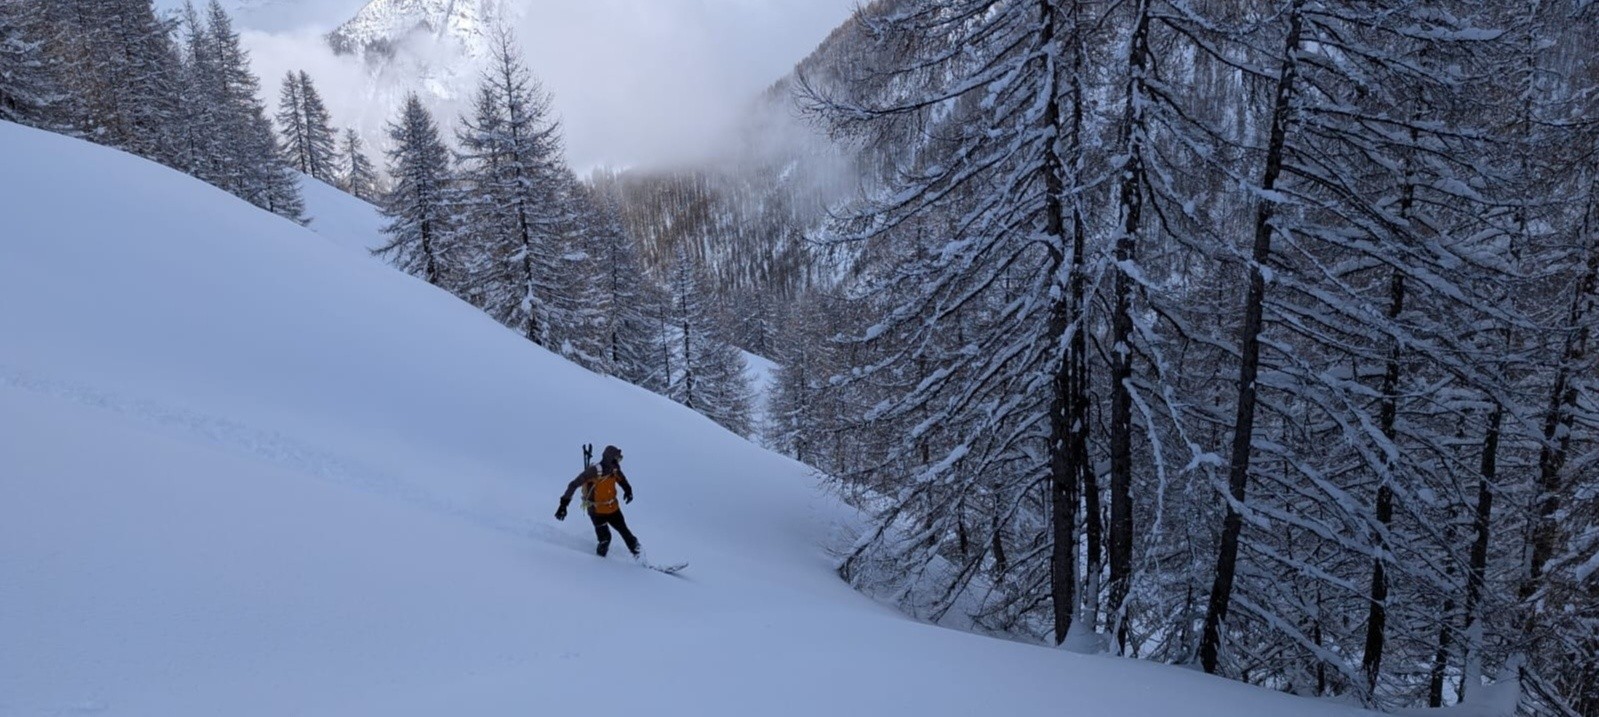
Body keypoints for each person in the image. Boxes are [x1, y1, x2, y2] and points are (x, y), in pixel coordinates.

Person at [555, 445, 641, 558]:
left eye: (620, 459)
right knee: (605, 539)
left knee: (626, 534)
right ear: (610, 458)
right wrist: (563, 505)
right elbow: (574, 484)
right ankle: (599, 565)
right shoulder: (594, 471)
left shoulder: (614, 470)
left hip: (613, 509)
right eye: (617, 458)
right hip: (597, 512)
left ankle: (641, 560)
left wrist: (628, 490)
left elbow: (621, 479)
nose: (618, 461)